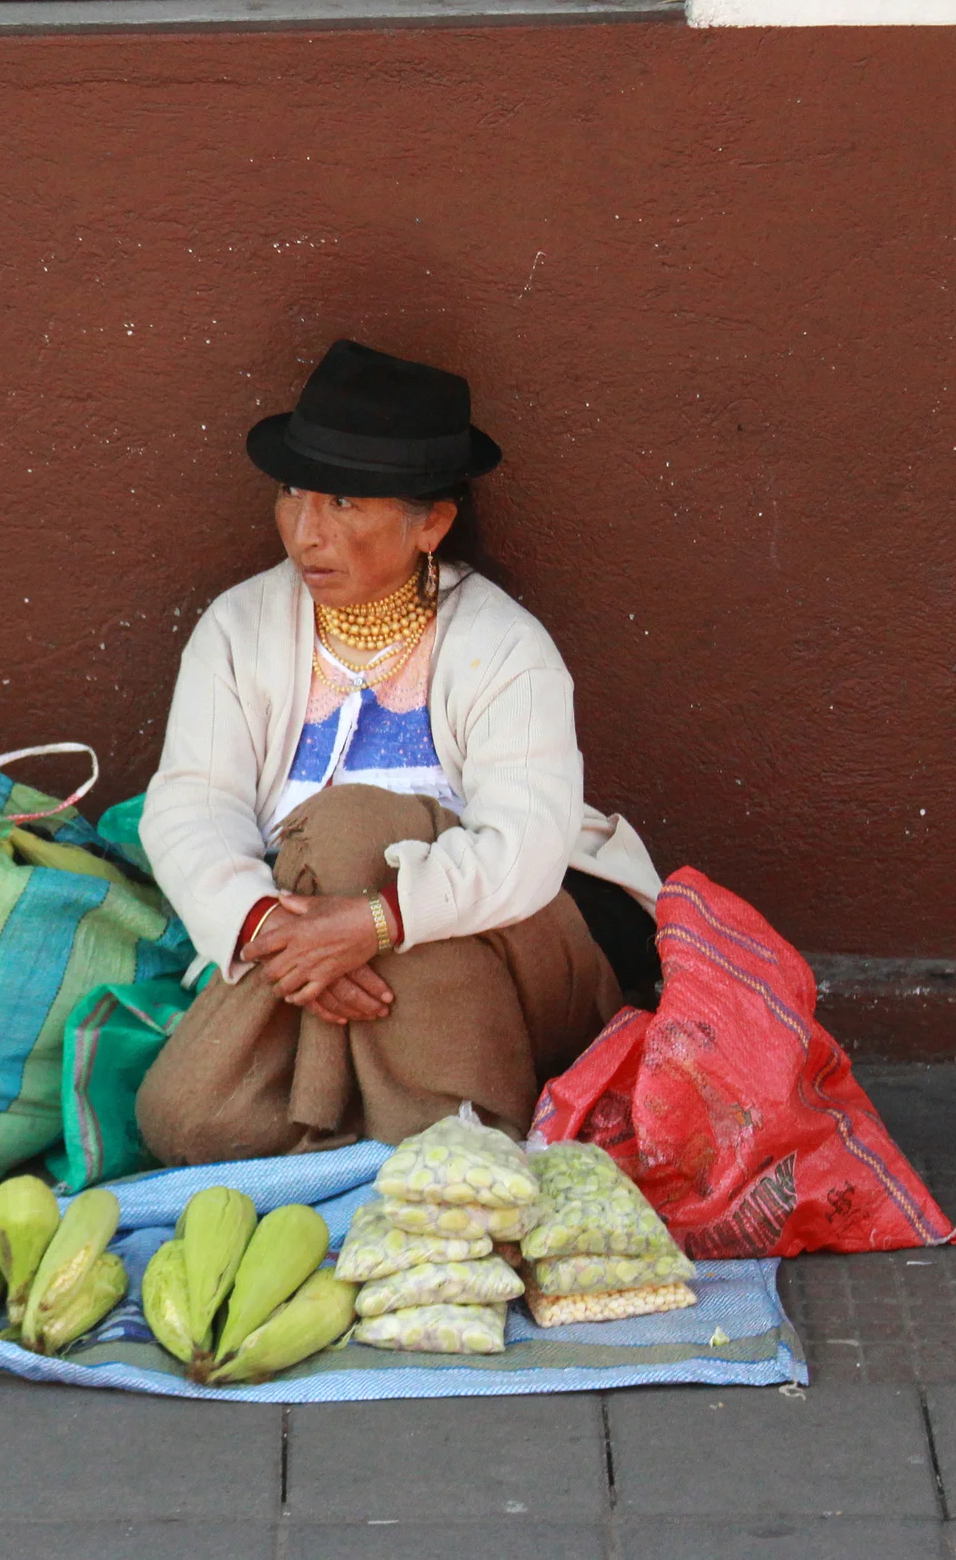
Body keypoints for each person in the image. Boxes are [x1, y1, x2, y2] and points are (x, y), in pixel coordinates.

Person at [134, 339, 662, 1165]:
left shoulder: (504, 646)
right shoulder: (238, 631)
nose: (305, 530)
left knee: (348, 827)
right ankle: (405, 1134)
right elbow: (189, 808)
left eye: (344, 501)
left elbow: (522, 854)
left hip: (514, 954)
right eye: (291, 492)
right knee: (187, 1118)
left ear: (434, 523)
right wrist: (273, 925)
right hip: (303, 956)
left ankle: (440, 1128)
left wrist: (376, 918)